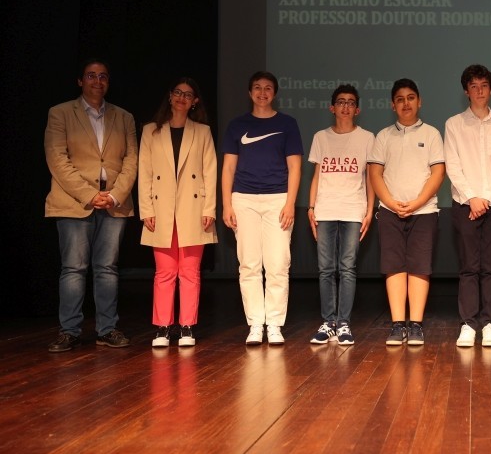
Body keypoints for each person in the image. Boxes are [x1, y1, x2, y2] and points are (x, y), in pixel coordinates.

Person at [44, 60, 138, 352]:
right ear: (80, 81)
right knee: (74, 268)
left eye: (103, 76)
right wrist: (89, 194)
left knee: (107, 268)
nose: (98, 81)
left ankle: (107, 329)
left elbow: (132, 160)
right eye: (91, 76)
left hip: (113, 203)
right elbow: (57, 158)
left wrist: (114, 195)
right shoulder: (60, 113)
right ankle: (69, 331)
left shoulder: (124, 117)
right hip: (74, 202)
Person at [222, 71, 304, 345]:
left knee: (278, 264)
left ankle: (275, 324)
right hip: (243, 200)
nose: (262, 92)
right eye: (257, 87)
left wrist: (290, 203)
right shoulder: (237, 125)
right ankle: (256, 324)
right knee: (249, 265)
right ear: (250, 93)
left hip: (278, 199)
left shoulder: (287, 124)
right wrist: (227, 204)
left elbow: (295, 167)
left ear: (275, 93)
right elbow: (228, 167)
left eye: (268, 88)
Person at [138, 78, 218, 348]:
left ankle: (186, 326)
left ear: (195, 101)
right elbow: (145, 173)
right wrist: (146, 209)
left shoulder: (202, 132)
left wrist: (209, 208)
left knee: (190, 272)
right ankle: (162, 327)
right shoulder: (151, 131)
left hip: (193, 208)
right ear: (170, 96)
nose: (182, 98)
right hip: (160, 209)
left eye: (188, 94)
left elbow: (210, 171)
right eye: (178, 93)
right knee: (164, 272)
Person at [367, 78, 445, 346]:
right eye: (400, 99)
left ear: (419, 101)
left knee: (420, 267)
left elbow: (438, 173)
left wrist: (417, 203)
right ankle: (397, 324)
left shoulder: (432, 134)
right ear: (393, 105)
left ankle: (416, 325)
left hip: (424, 211)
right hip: (390, 212)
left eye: (411, 98)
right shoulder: (383, 136)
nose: (406, 103)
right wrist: (391, 202)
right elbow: (375, 174)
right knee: (394, 267)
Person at [444, 65, 491, 348]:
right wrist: (472, 197)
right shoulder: (453, 124)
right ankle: (468, 324)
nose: (479, 91)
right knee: (469, 267)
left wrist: (486, 198)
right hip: (465, 203)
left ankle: (489, 323)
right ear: (466, 91)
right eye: (474, 86)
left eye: (484, 85)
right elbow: (453, 164)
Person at [307, 84, 375, 346]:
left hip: (353, 209)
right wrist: (311, 208)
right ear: (332, 107)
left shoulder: (367, 138)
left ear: (357, 110)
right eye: (341, 102)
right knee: (325, 269)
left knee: (347, 268)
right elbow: (316, 176)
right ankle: (328, 322)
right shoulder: (320, 137)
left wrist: (370, 210)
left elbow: (370, 178)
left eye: (350, 102)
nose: (345, 106)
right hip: (325, 209)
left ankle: (343, 323)